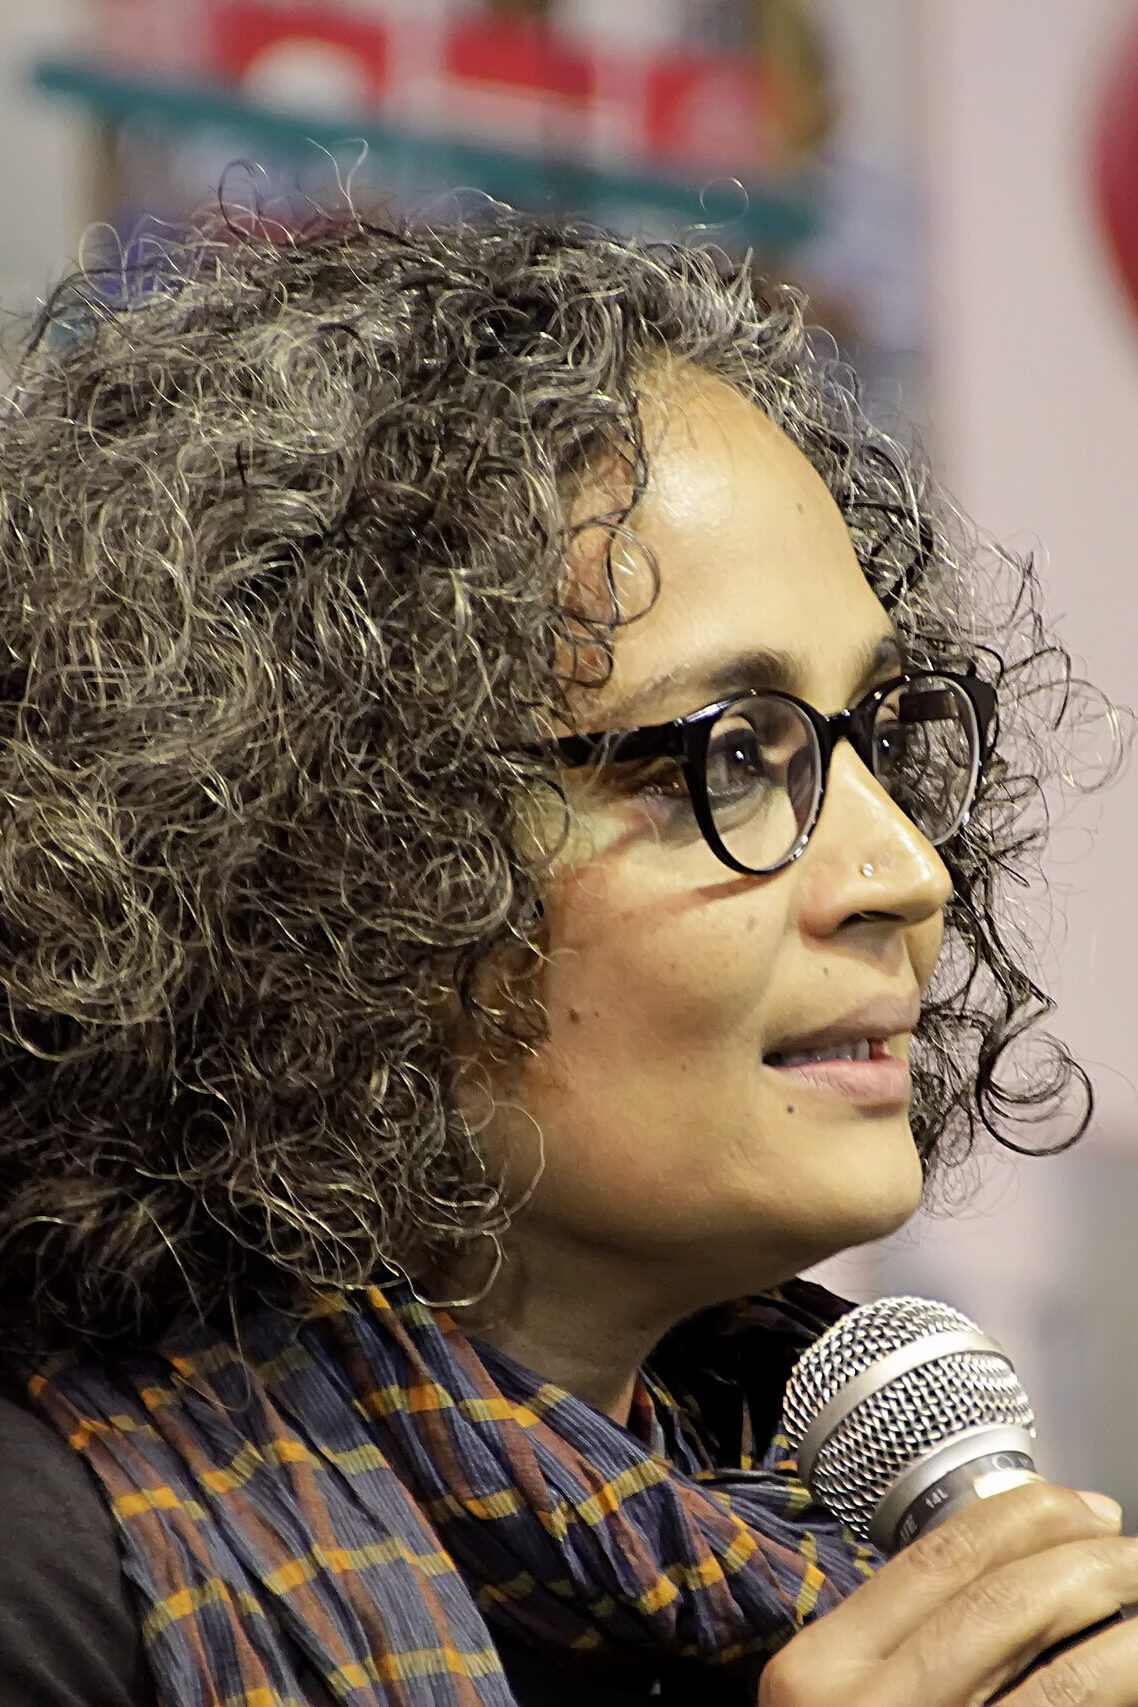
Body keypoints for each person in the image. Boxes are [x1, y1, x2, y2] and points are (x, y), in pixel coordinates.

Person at [0, 206, 1132, 1707]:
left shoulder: (807, 1551)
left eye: (877, 736)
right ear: (322, 860)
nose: (904, 874)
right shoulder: (55, 1571)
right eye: (726, 757)